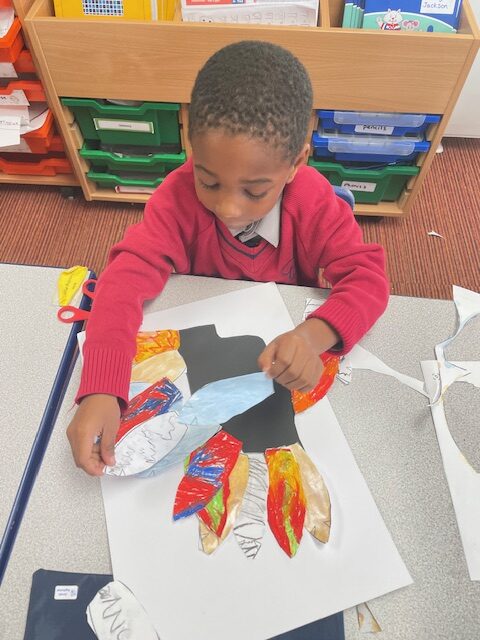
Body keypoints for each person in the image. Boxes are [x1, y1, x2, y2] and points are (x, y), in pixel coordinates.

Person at [67, 40, 389, 476]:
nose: (229, 208)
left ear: (296, 162)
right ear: (192, 150)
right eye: (209, 181)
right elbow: (122, 280)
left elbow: (368, 279)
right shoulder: (176, 201)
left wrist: (314, 335)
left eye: (255, 191)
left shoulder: (313, 204)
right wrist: (101, 386)